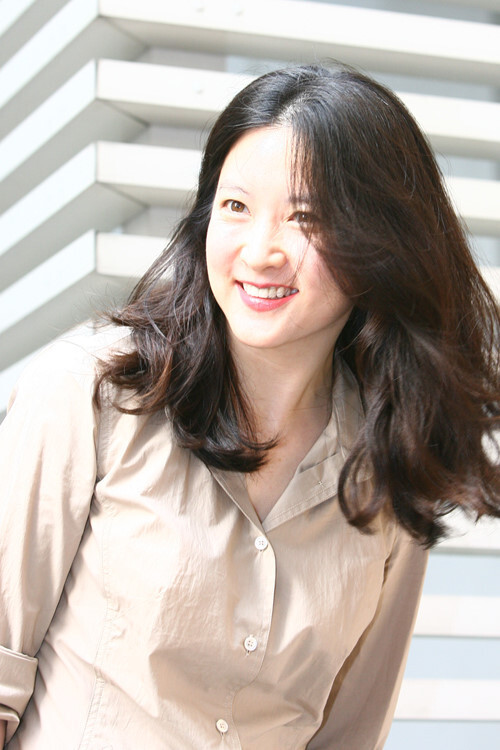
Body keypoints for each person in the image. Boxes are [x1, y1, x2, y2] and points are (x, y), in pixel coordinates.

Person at [1, 62, 499, 750]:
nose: (260, 252)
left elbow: (349, 736)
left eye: (306, 218)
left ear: (377, 242)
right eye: (235, 207)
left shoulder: (388, 466)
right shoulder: (92, 393)